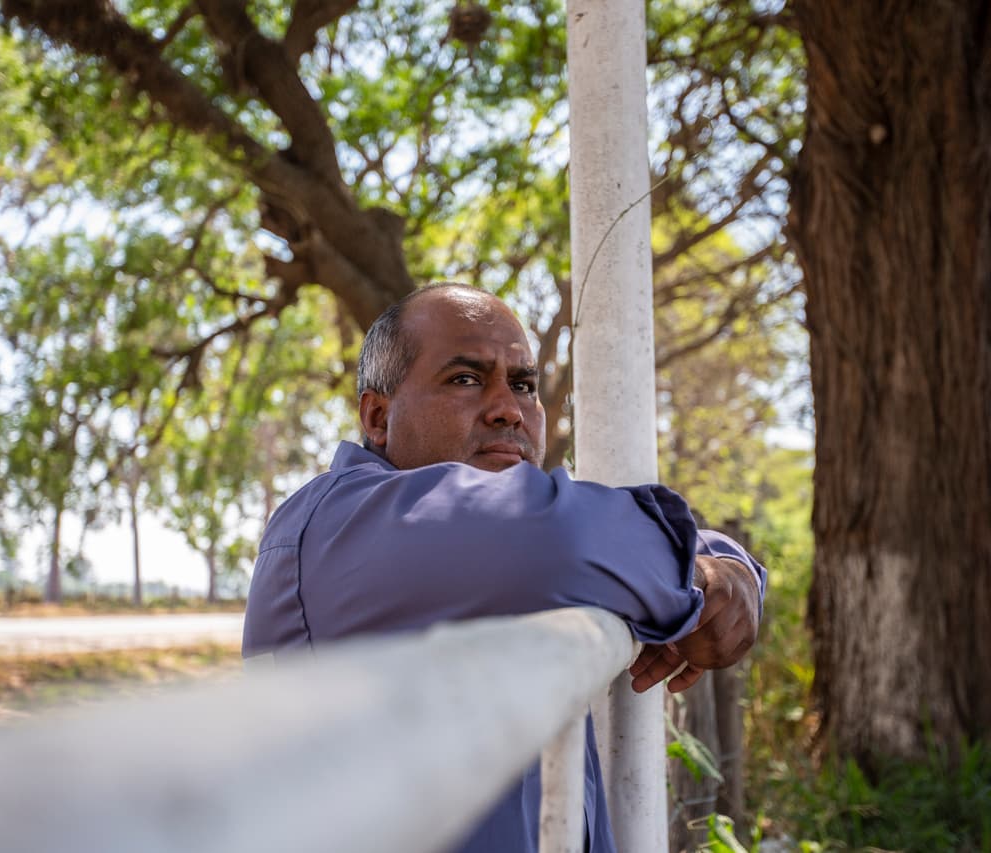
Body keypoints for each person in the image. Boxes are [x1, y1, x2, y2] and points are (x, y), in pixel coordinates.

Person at [243, 283, 766, 852]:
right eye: (465, 379)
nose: (508, 410)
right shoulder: (338, 521)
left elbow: (588, 533)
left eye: (524, 385)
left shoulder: (495, 550)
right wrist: (704, 577)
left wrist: (723, 569)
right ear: (377, 416)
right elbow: (566, 535)